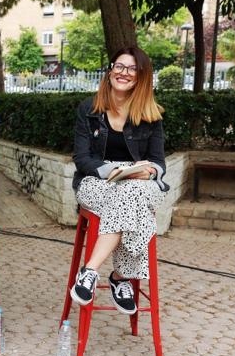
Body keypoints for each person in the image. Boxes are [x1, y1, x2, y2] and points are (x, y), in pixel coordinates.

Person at [70, 46, 169, 314]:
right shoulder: (88, 109)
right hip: (96, 181)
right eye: (119, 66)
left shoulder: (151, 115)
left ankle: (89, 271)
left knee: (132, 192)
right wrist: (110, 171)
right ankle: (120, 277)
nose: (123, 73)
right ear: (110, 69)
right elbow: (82, 158)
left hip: (138, 183)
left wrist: (146, 171)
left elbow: (159, 163)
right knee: (136, 206)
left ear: (142, 76)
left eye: (132, 69)